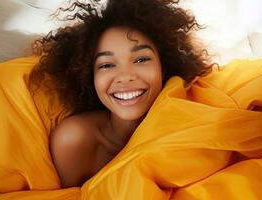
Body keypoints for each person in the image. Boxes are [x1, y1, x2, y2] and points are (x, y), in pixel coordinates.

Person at [29, 0, 214, 187]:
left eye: (141, 59)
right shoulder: (74, 140)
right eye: (107, 65)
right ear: (89, 76)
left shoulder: (193, 123)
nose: (125, 77)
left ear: (163, 68)